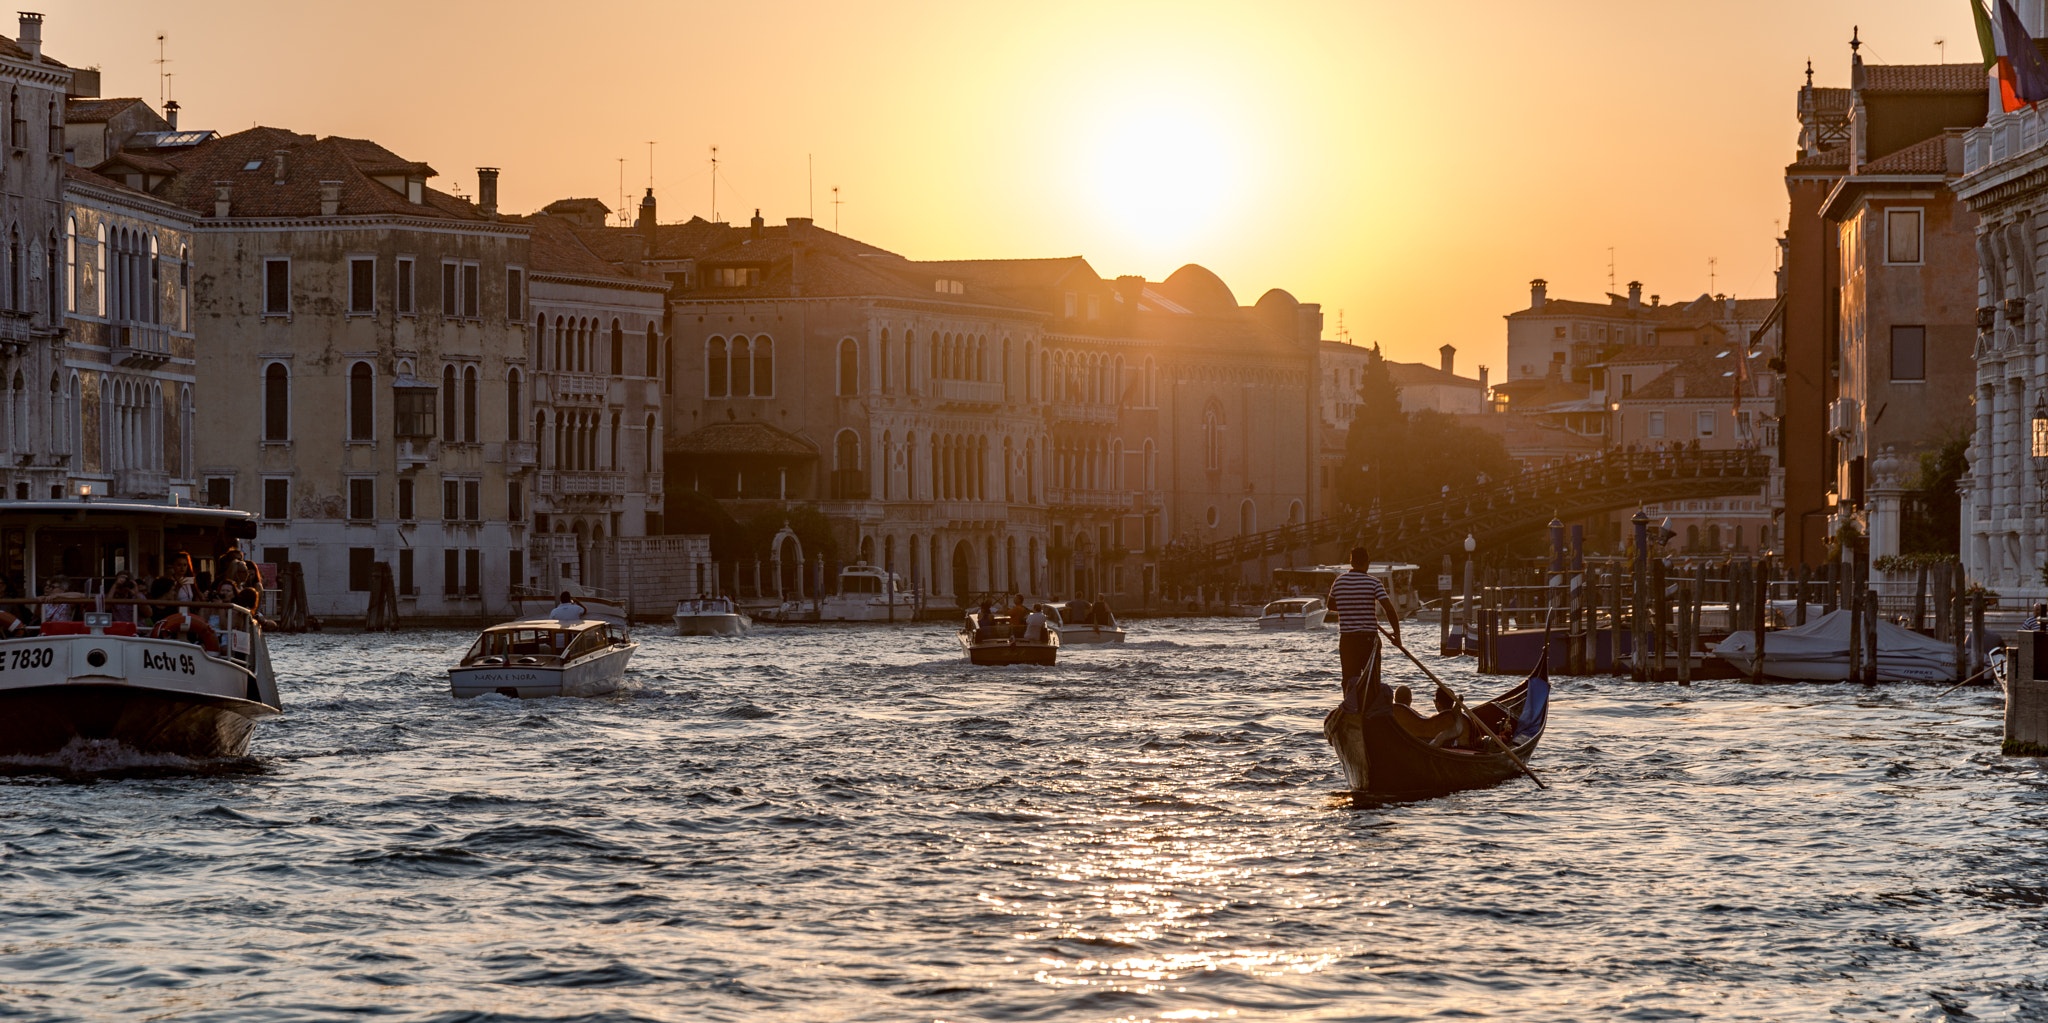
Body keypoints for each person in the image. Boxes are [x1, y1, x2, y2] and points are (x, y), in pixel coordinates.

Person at [1327, 546, 1401, 688]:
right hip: (1368, 639)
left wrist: (1348, 606)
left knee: (1349, 680)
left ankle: (1351, 708)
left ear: (1351, 562)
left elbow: (1330, 606)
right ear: (1367, 562)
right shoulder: (1374, 583)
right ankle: (1370, 708)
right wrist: (1397, 635)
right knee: (1371, 682)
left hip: (1347, 640)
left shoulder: (1339, 582)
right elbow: (1389, 609)